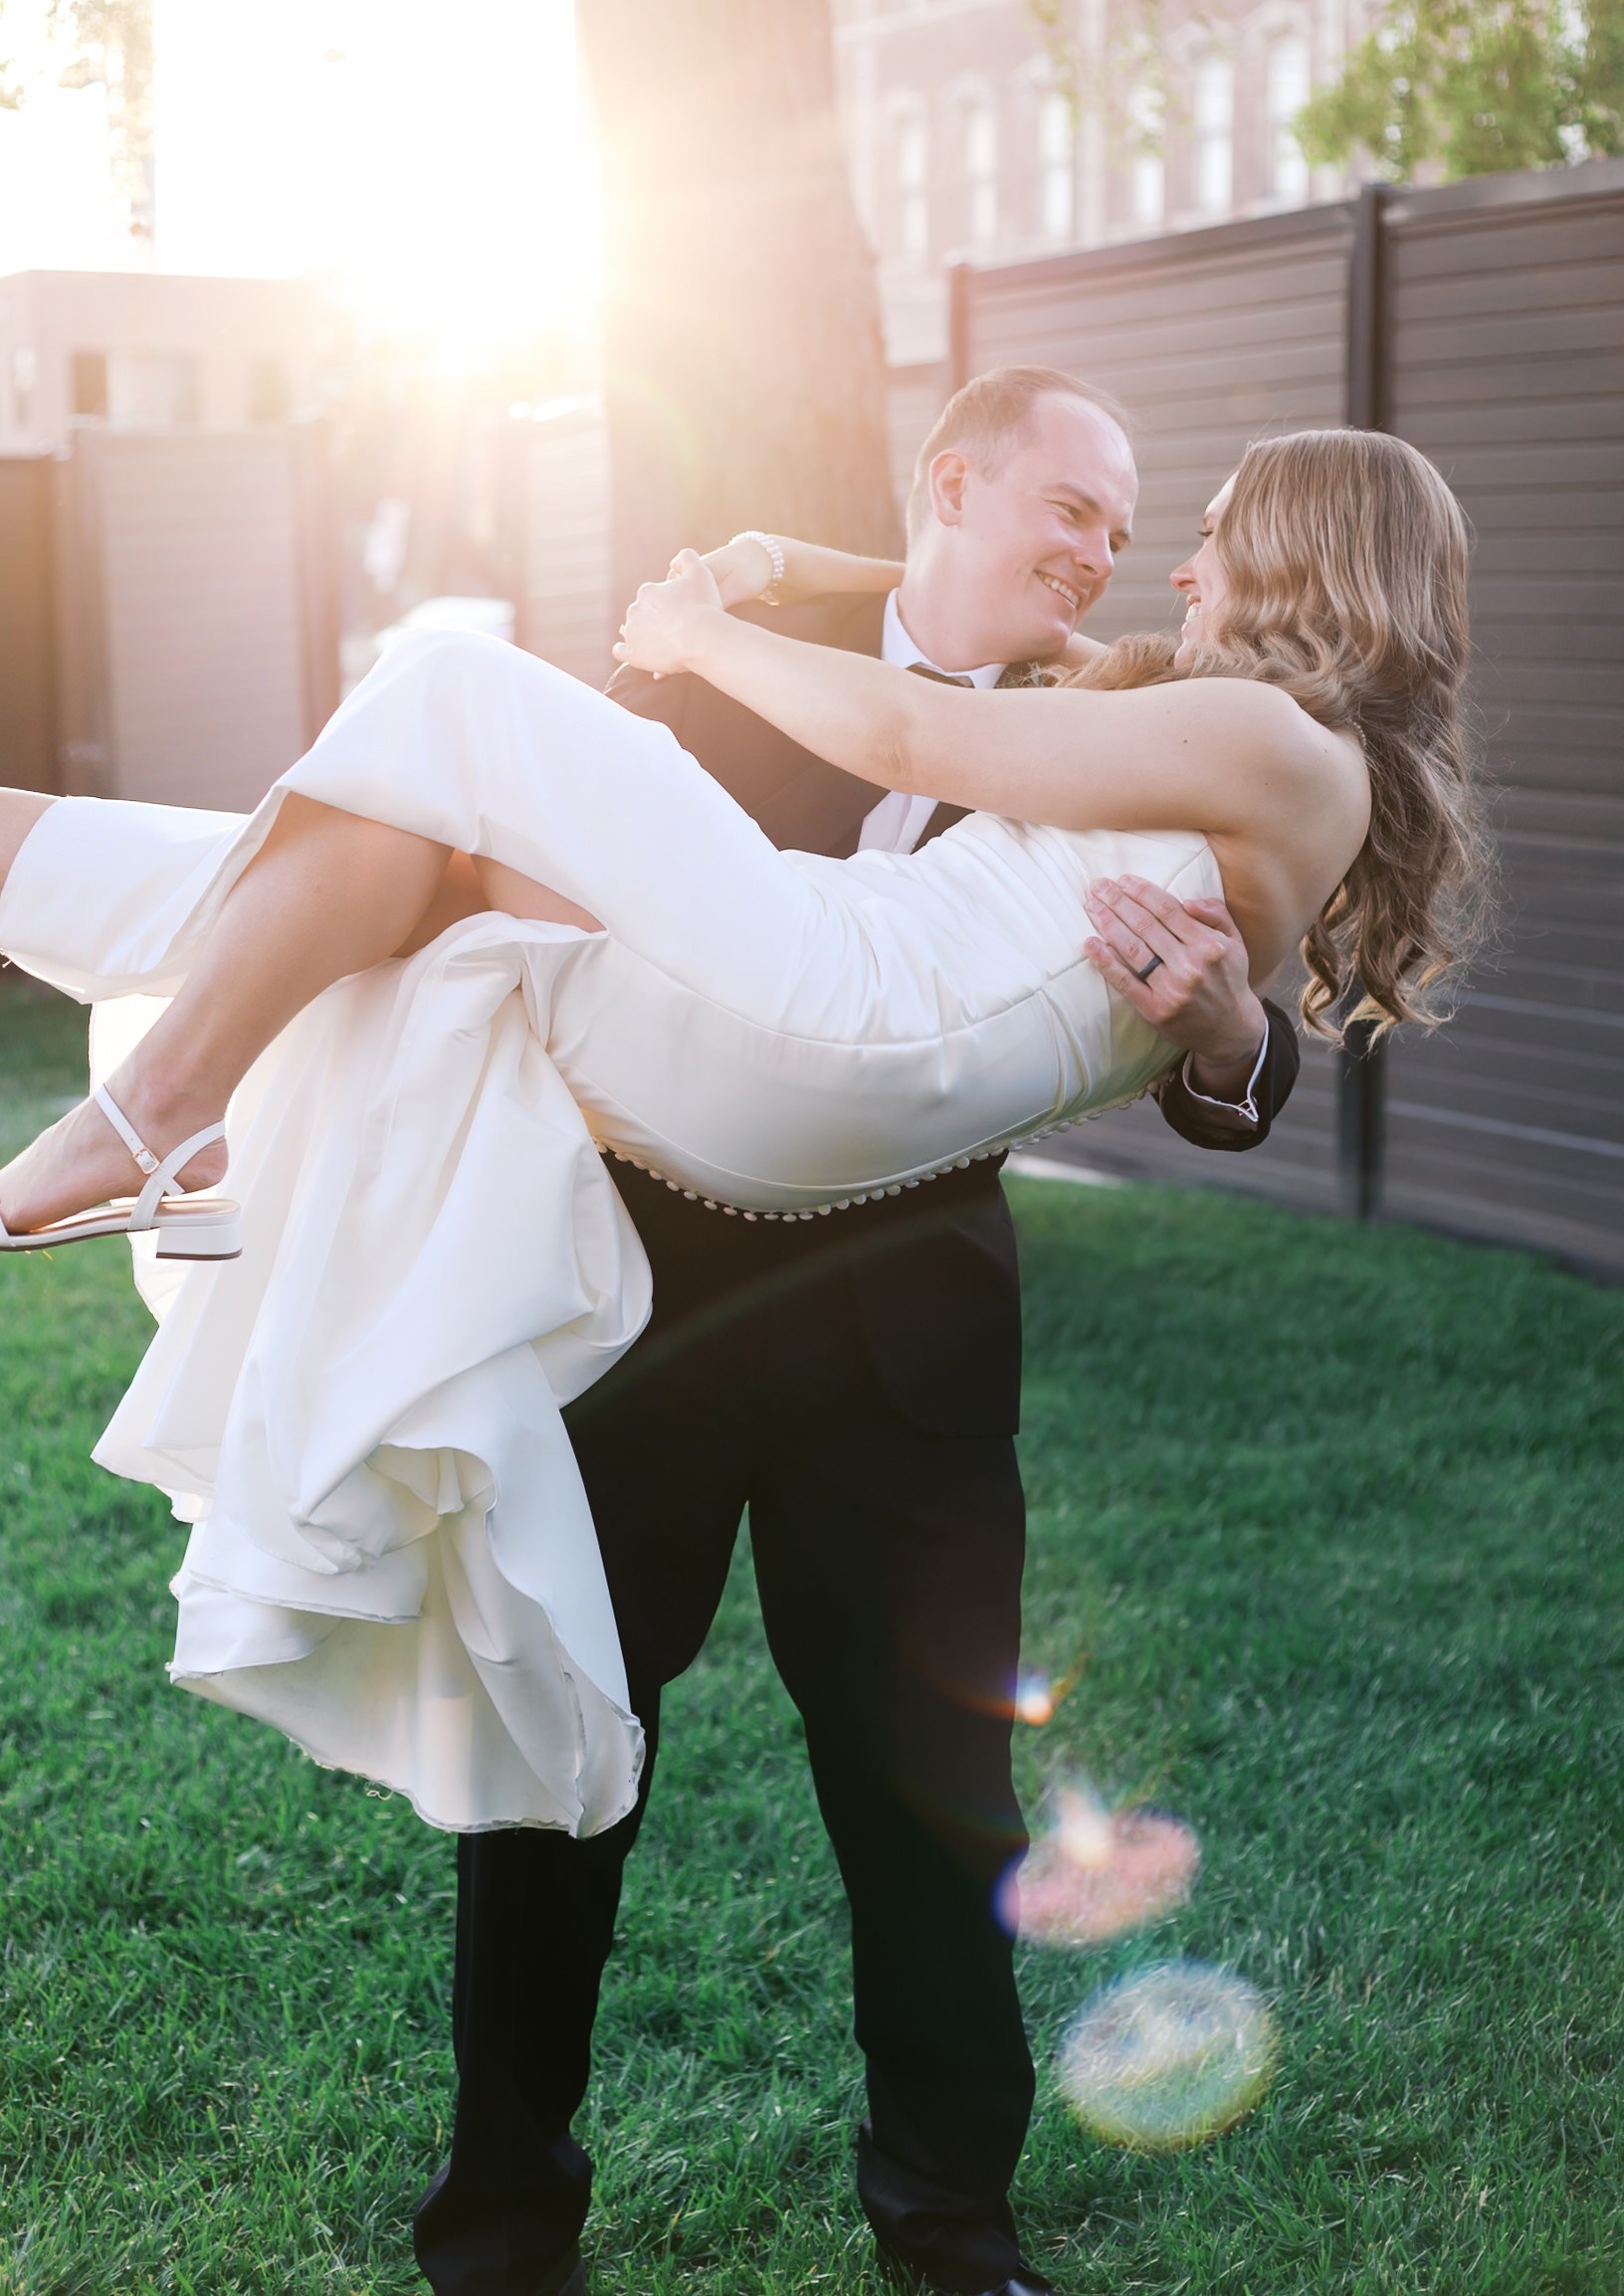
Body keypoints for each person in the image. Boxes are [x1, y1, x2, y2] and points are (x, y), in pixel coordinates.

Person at [0, 414, 1480, 2296]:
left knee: (935, 1807)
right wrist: (768, 585)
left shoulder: (1107, 714)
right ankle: (505, 2233)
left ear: (1295, 566)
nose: (1126, 558)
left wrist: (1221, 1039)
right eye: (1080, 512)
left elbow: (1150, 954)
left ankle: (952, 2227)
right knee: (547, 1765)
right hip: (650, 1294)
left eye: (1155, 529)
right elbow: (884, 684)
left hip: (902, 1338)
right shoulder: (937, 695)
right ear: (954, 487)